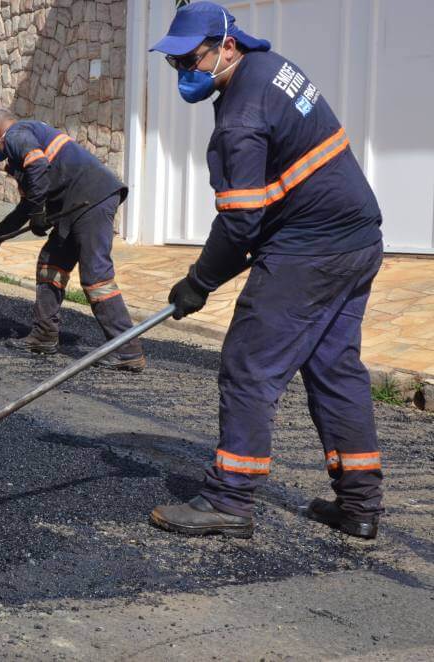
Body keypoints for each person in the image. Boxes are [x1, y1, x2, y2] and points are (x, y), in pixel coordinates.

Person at [148, 2, 385, 539]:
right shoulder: (270, 65)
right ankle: (360, 504)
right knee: (333, 367)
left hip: (312, 248)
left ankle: (228, 500)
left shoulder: (240, 115)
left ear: (226, 45)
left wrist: (197, 284)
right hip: (357, 237)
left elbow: (239, 225)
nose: (183, 73)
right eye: (174, 64)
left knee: (249, 365)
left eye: (190, 60)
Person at [0, 109, 145, 371]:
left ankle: (127, 350)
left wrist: (40, 211)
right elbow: (27, 206)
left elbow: (38, 165)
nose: (1, 151)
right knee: (51, 263)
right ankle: (43, 336)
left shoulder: (16, 134)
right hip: (76, 204)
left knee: (96, 276)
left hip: (90, 198)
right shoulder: (30, 136)